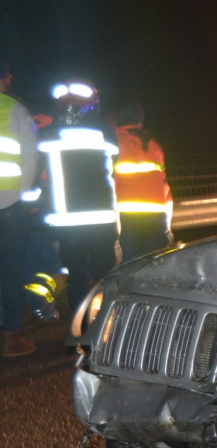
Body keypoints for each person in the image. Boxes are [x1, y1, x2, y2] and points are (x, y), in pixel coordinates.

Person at [36, 80, 120, 313]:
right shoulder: (105, 133)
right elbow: (117, 160)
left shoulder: (49, 134)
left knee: (77, 277)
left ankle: (79, 330)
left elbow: (36, 171)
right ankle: (108, 325)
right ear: (92, 106)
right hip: (102, 218)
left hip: (68, 221)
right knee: (106, 276)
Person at [0, 60, 40, 357]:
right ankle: (10, 337)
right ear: (6, 79)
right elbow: (29, 160)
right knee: (11, 271)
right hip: (8, 205)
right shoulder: (16, 110)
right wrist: (25, 198)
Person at [111, 102, 172, 259]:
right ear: (140, 121)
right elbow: (162, 181)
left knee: (132, 264)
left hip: (128, 213)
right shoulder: (152, 143)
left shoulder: (116, 141)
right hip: (157, 212)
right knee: (155, 262)